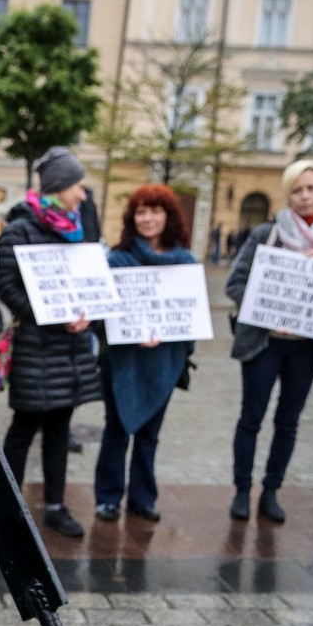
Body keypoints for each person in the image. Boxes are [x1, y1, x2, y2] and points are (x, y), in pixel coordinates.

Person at [0, 146, 102, 538]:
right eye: (79, 186)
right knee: (24, 427)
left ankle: (55, 506)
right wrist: (50, 314)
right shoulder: (20, 228)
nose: (84, 195)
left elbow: (88, 281)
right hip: (36, 346)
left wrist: (85, 312)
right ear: (59, 187)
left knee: (60, 426)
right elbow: (6, 286)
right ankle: (8, 506)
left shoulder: (77, 228)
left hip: (69, 347)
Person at [225, 158, 313, 524]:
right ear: (288, 195)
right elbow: (234, 283)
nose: (305, 196)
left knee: (288, 422)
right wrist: (267, 311)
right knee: (251, 418)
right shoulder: (267, 233)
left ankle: (271, 490)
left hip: (306, 348)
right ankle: (241, 490)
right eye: (297, 190)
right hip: (264, 344)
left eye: (311, 188)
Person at [94, 185, 196, 523]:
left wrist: (167, 336)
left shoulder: (184, 262)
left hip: (163, 363)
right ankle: (108, 498)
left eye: (155, 211)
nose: (148, 218)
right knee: (116, 430)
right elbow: (99, 316)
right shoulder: (116, 260)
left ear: (168, 217)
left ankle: (142, 499)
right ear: (132, 218)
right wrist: (129, 333)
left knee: (149, 435)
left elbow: (191, 319)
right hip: (122, 361)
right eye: (141, 211)